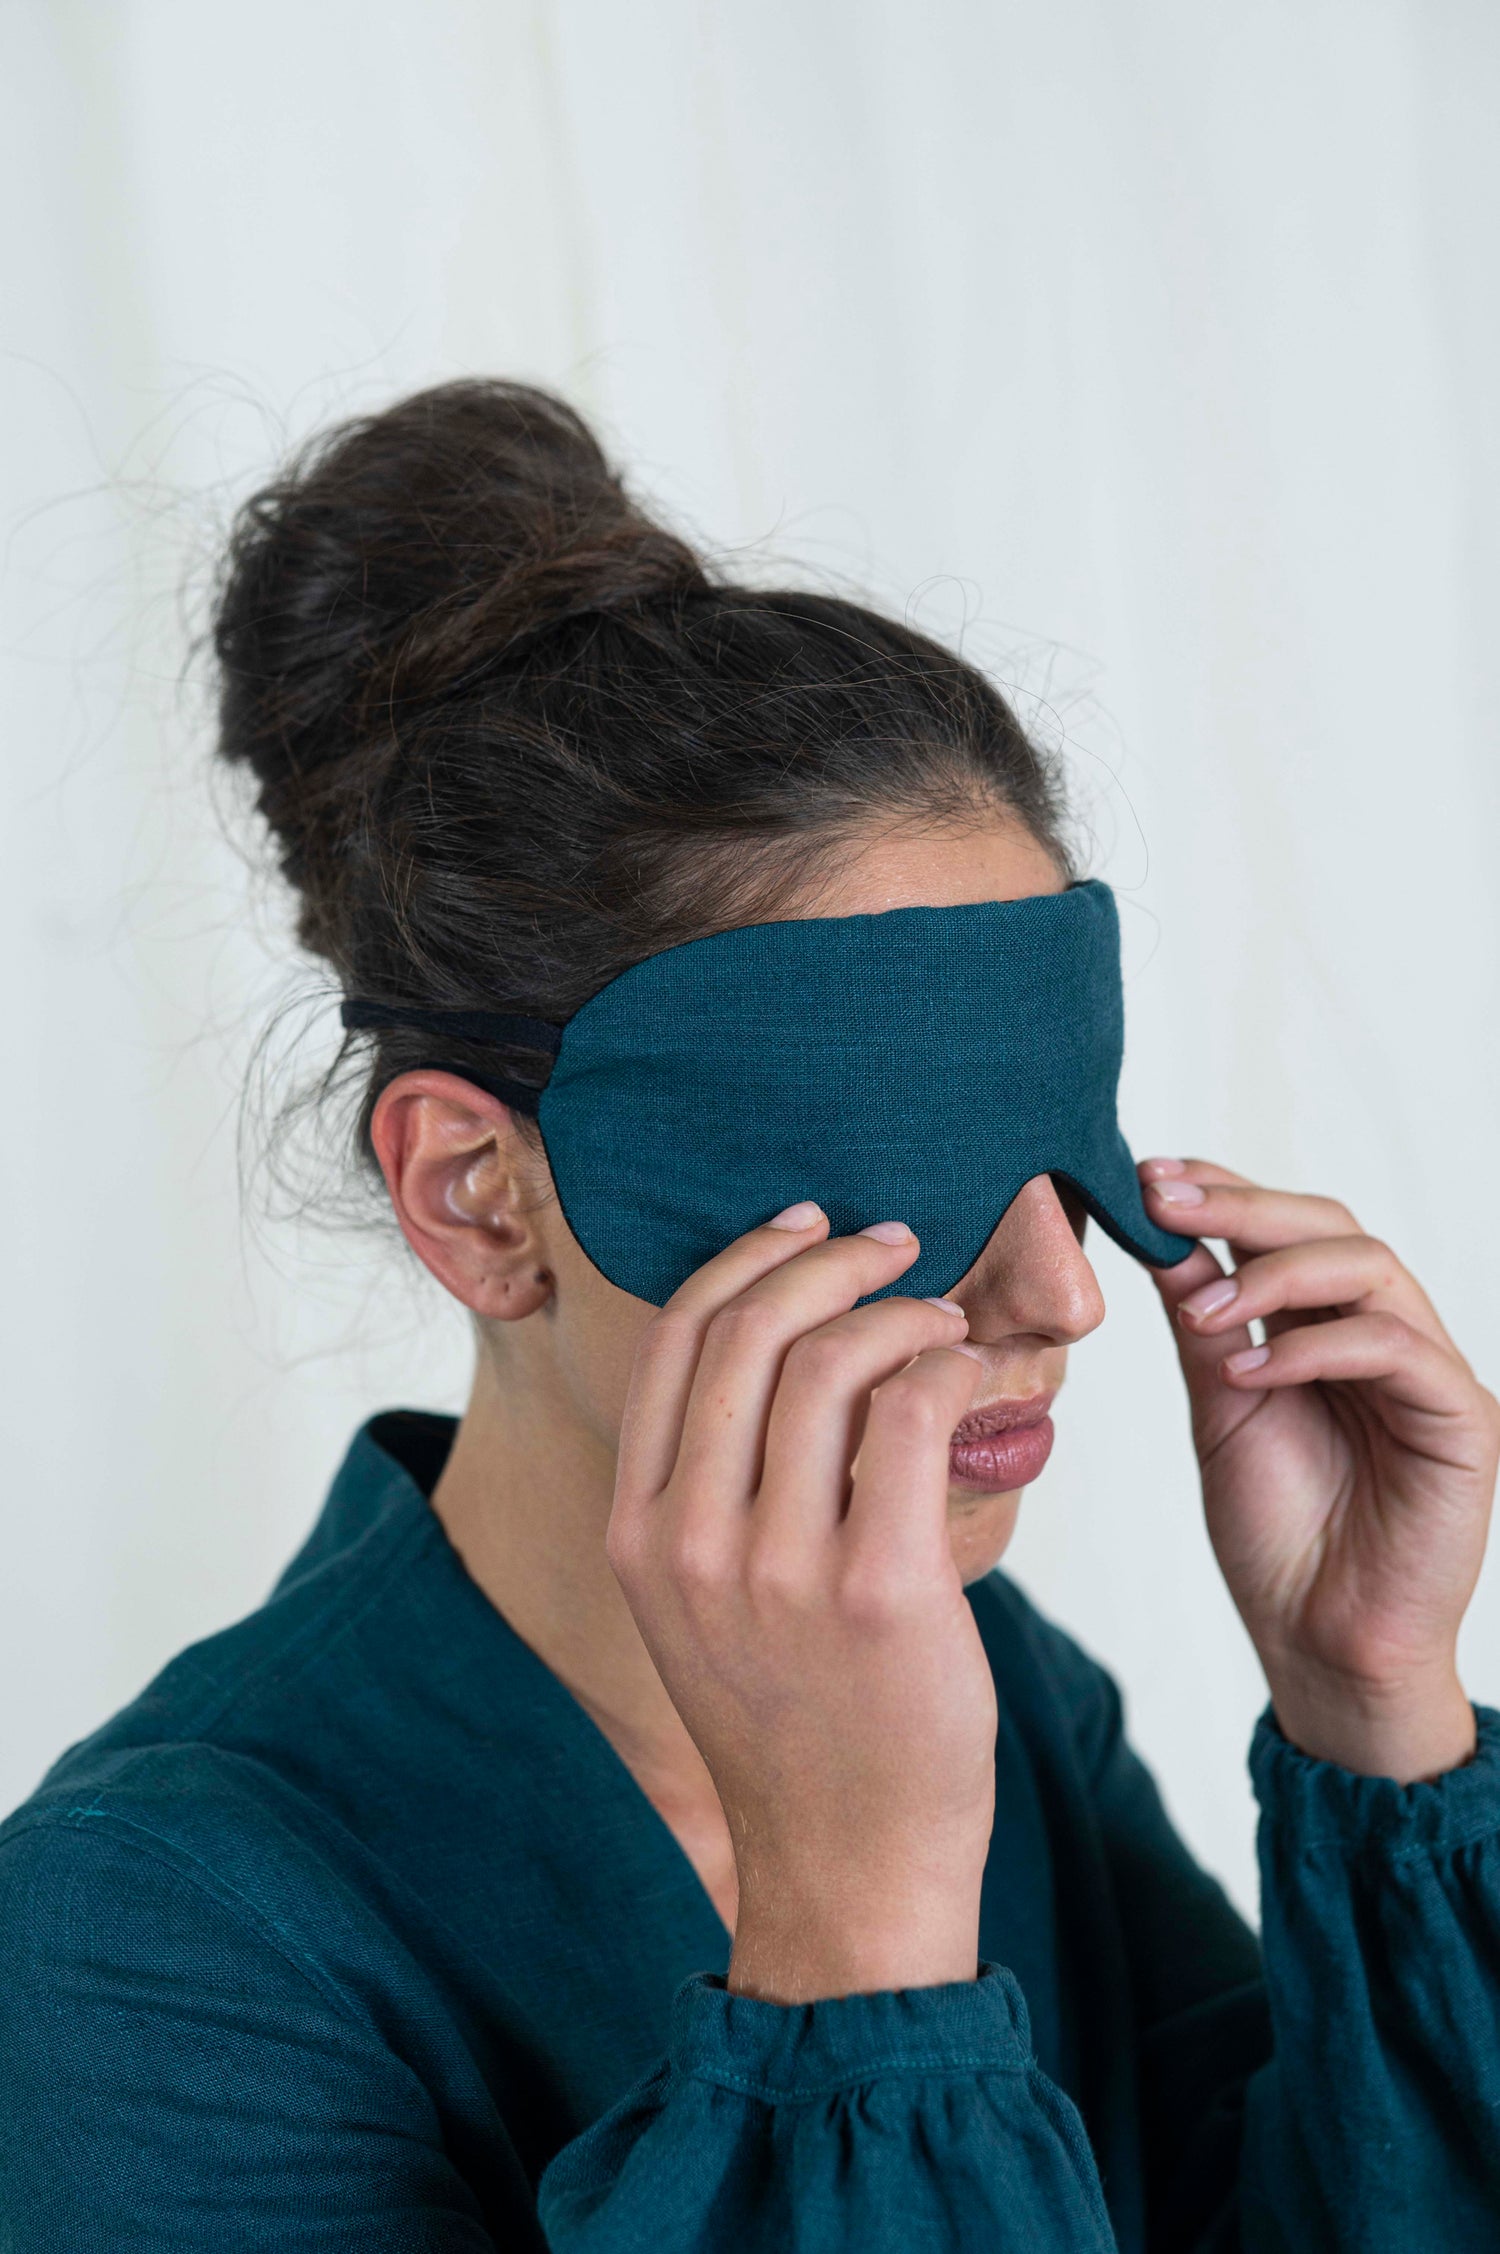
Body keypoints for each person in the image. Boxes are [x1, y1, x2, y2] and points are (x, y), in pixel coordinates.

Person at [2, 381, 1497, 2253]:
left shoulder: (1007, 1694)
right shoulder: (144, 1936)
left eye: (1064, 1150)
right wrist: (857, 1943)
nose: (1058, 1293)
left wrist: (1375, 1709)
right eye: (904, 1161)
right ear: (481, 1195)